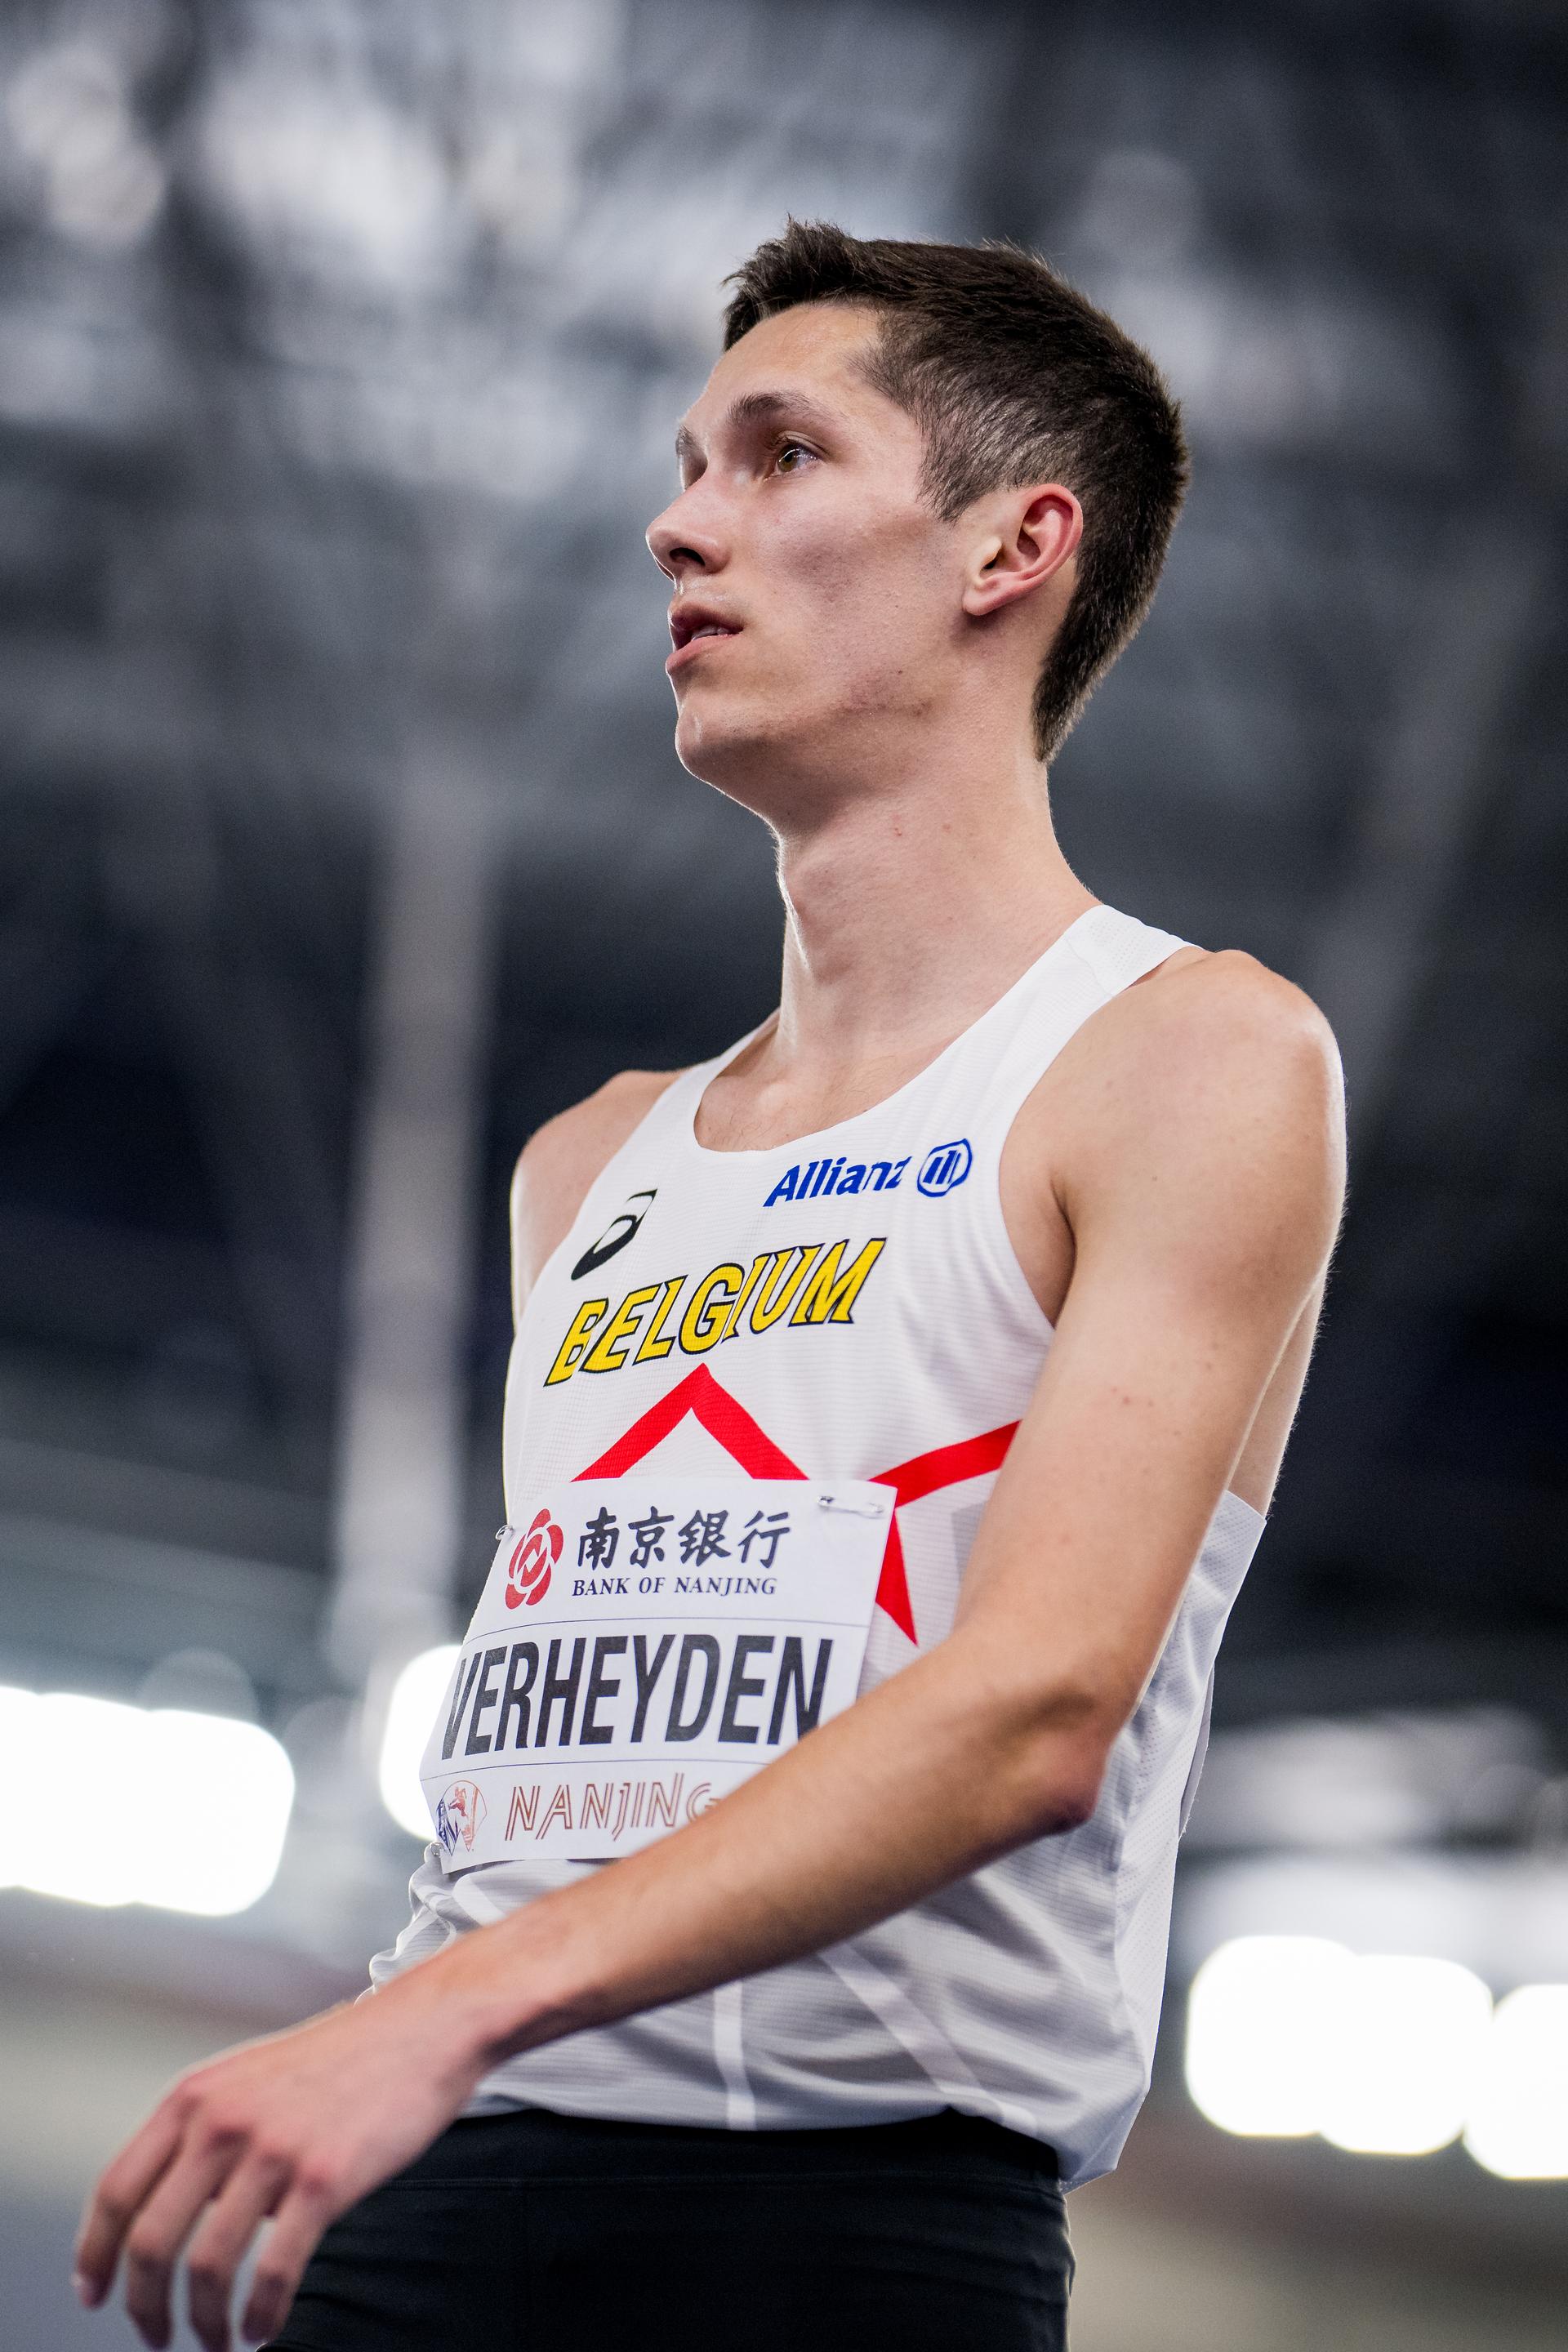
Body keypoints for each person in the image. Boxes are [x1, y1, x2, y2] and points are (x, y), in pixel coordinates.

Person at [75, 221, 1344, 2352]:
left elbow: (1037, 1715)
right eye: (688, 461)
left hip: (845, 2238)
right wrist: (418, 2034)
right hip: (428, 2178)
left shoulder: (1188, 1057)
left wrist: (439, 2019)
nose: (680, 520)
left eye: (778, 455)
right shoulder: (590, 1163)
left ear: (1007, 549)